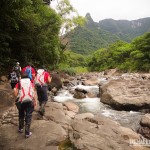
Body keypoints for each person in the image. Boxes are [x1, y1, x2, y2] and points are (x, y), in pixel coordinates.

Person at [14, 73, 37, 138]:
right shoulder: (31, 83)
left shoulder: (19, 83)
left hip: (21, 101)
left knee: (21, 114)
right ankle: (27, 133)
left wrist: (16, 97)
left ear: (21, 77)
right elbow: (34, 92)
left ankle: (20, 128)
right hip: (30, 101)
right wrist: (35, 101)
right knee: (28, 115)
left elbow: (15, 91)